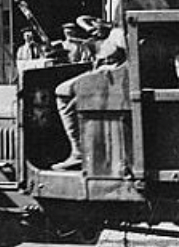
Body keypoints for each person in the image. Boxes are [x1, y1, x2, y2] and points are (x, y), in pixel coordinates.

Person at [52, 28, 129, 171]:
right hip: (114, 70)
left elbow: (124, 49)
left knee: (62, 92)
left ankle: (78, 151)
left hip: (117, 74)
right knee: (65, 91)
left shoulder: (120, 30)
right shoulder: (118, 29)